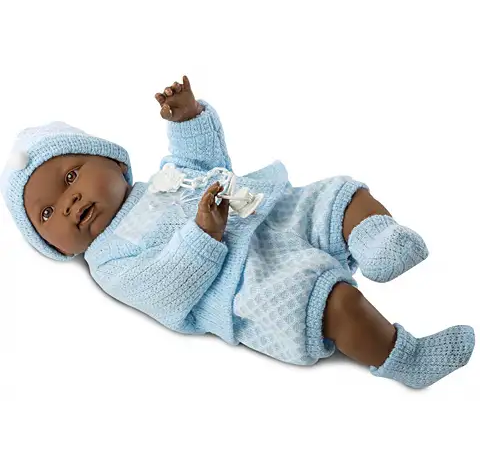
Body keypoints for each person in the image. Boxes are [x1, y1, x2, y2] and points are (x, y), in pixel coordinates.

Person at [1, 76, 474, 389]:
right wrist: (203, 235)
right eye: (47, 214)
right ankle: (405, 357)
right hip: (248, 282)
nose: (69, 203)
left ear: (114, 162)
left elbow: (203, 164)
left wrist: (189, 120)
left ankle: (375, 241)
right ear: (51, 246)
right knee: (332, 303)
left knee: (335, 196)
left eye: (70, 177)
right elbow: (164, 290)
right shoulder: (109, 262)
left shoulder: (160, 180)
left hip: (268, 212)